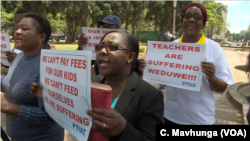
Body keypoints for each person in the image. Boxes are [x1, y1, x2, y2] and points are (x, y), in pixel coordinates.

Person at [30, 29, 164, 140]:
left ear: (130, 57)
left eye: (112, 47)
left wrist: (123, 129)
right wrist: (51, 95)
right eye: (100, 46)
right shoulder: (95, 83)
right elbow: (75, 110)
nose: (102, 51)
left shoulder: (150, 95)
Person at [161, 3, 234, 125]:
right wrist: (150, 70)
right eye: (188, 16)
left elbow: (222, 88)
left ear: (203, 23)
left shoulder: (214, 48)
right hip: (171, 116)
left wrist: (211, 77)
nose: (191, 19)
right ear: (182, 20)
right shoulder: (171, 47)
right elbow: (164, 81)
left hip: (201, 120)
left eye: (197, 17)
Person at [0, 12, 64, 140]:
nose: (17, 32)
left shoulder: (49, 66)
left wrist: (6, 107)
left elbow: (51, 116)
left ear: (41, 36)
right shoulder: (19, 57)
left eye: (25, 29)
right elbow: (10, 82)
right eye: (17, 28)